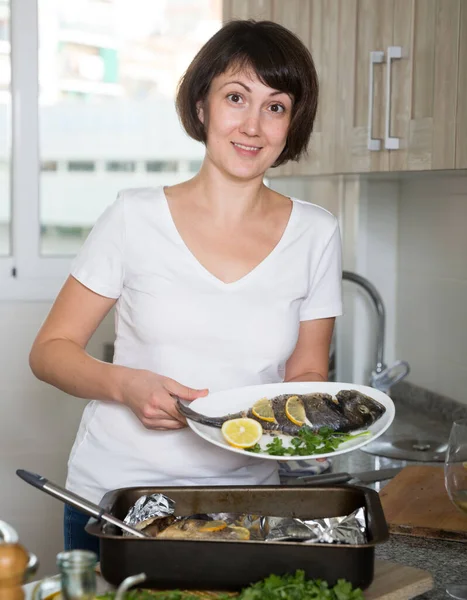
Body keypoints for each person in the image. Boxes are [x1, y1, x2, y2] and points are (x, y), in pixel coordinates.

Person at [29, 19, 343, 553]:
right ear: (202, 106)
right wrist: (125, 386)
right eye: (236, 97)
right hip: (116, 502)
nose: (252, 126)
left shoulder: (317, 232)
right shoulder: (133, 216)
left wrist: (306, 423)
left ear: (292, 125)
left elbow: (307, 371)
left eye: (275, 107)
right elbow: (49, 353)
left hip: (246, 509)